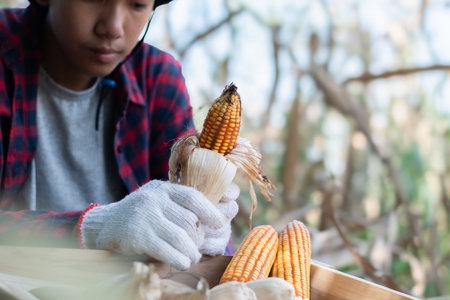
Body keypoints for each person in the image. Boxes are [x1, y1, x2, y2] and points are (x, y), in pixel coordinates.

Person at [0, 0, 239, 271]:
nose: (113, 28)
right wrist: (96, 228)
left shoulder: (157, 78)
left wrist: (207, 230)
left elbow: (185, 201)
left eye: (137, 4)